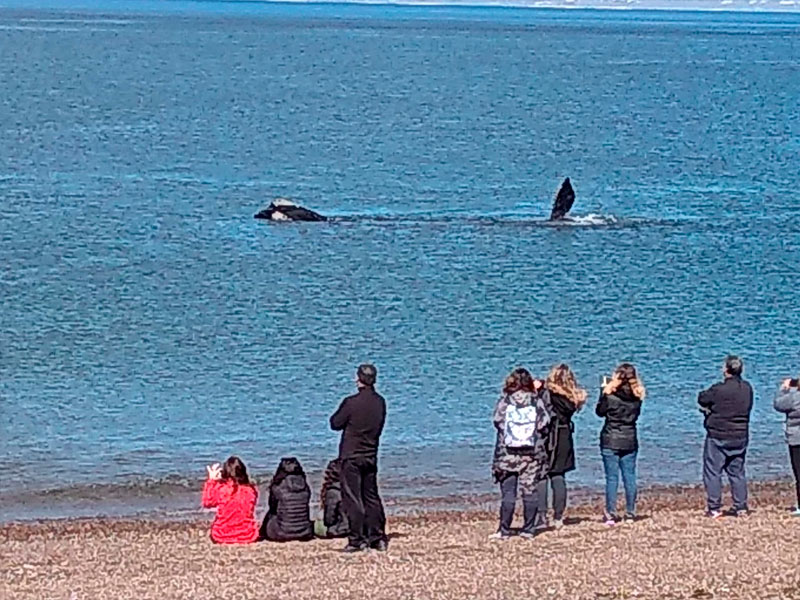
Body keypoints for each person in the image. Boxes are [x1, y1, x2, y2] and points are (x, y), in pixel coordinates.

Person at [330, 363, 387, 552]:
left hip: (352, 455)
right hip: (370, 454)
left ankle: (357, 539)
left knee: (353, 498)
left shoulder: (351, 402)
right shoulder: (380, 402)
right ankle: (377, 537)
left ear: (360, 380)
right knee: (371, 496)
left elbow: (335, 423)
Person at [491, 367, 552, 539]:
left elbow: (497, 421)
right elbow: (544, 424)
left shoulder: (505, 401)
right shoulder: (536, 401)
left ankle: (504, 530)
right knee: (529, 491)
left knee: (508, 493)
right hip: (531, 454)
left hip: (506, 454)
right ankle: (528, 529)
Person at [698, 355, 754, 518]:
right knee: (737, 471)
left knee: (713, 471)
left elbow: (702, 398)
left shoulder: (718, 389)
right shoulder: (747, 388)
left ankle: (714, 507)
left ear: (726, 370)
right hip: (739, 435)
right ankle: (741, 506)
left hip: (718, 434)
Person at [537, 363, 587, 529]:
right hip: (565, 436)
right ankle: (558, 516)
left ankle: (542, 514)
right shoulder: (572, 397)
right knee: (559, 476)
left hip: (549, 435)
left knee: (542, 475)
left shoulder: (549, 394)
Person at [596, 363, 645, 526]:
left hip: (611, 438)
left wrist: (603, 392)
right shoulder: (637, 397)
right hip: (630, 438)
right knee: (629, 476)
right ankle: (630, 512)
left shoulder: (610, 397)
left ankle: (611, 513)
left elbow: (599, 412)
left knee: (612, 478)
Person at [201, 456, 259, 544]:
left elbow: (207, 502)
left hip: (222, 535)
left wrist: (212, 481)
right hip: (247, 534)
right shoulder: (251, 490)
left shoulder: (222, 489)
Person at [259, 456, 314, 542]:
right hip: (305, 532)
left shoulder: (278, 486)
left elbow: (272, 507)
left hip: (282, 532)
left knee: (270, 514)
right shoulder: (305, 486)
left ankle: (261, 534)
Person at [773, 376, 800, 516]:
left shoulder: (794, 398)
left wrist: (784, 389)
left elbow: (778, 404)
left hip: (796, 439)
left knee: (799, 473)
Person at [317, 458, 350, 537]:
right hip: (355, 529)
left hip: (339, 530)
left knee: (318, 526)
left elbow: (328, 520)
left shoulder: (332, 492)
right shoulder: (351, 488)